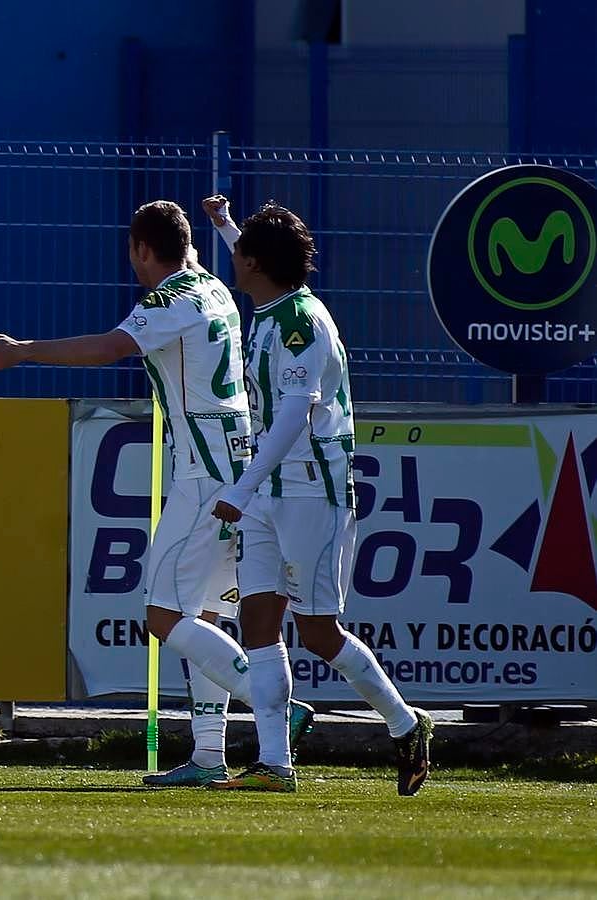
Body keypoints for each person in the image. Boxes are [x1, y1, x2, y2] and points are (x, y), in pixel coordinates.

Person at [0, 200, 314, 786]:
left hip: (203, 475)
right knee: (203, 617)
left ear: (140, 251)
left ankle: (271, 701)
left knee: (160, 614)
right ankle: (209, 755)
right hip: (236, 465)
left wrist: (21, 351)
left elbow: (109, 347)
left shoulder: (169, 298)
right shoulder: (215, 289)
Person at [202, 196, 434, 794]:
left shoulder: (303, 325)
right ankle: (275, 766)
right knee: (257, 622)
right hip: (264, 496)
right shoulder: (270, 300)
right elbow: (258, 259)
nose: (235, 262)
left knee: (319, 633)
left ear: (256, 265)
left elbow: (294, 417)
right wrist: (228, 227)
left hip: (312, 493)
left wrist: (242, 485)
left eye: (241, 253)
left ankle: (407, 725)